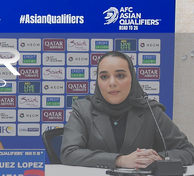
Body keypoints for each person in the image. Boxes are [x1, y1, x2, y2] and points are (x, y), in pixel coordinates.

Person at [61, 50, 194, 169]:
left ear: (132, 79)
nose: (112, 82)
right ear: (98, 81)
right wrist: (121, 160)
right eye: (104, 77)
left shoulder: (150, 111)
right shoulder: (83, 109)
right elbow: (69, 153)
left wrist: (159, 159)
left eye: (120, 75)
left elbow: (187, 150)